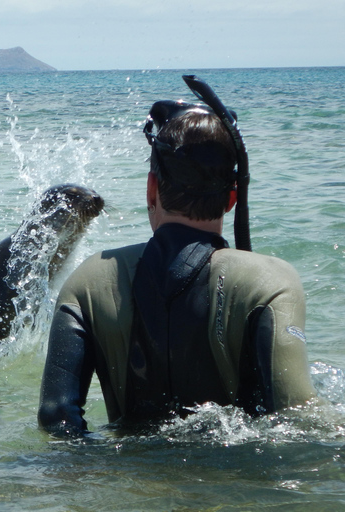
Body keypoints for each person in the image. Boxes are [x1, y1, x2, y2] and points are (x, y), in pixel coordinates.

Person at [38, 76, 318, 437]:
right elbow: (300, 418)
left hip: (129, 487)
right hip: (239, 490)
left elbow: (56, 420)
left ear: (151, 188)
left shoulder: (89, 282)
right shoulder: (270, 284)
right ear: (232, 198)